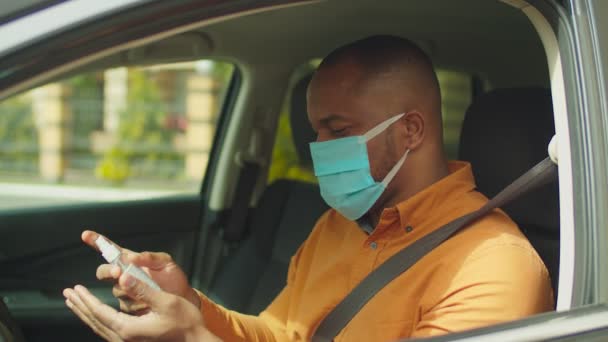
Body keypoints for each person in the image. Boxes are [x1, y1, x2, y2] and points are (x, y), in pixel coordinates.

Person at [63, 35, 554, 341]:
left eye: (338, 131)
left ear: (411, 131)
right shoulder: (337, 225)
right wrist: (191, 307)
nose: (318, 149)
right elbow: (279, 335)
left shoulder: (494, 267)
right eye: (315, 130)